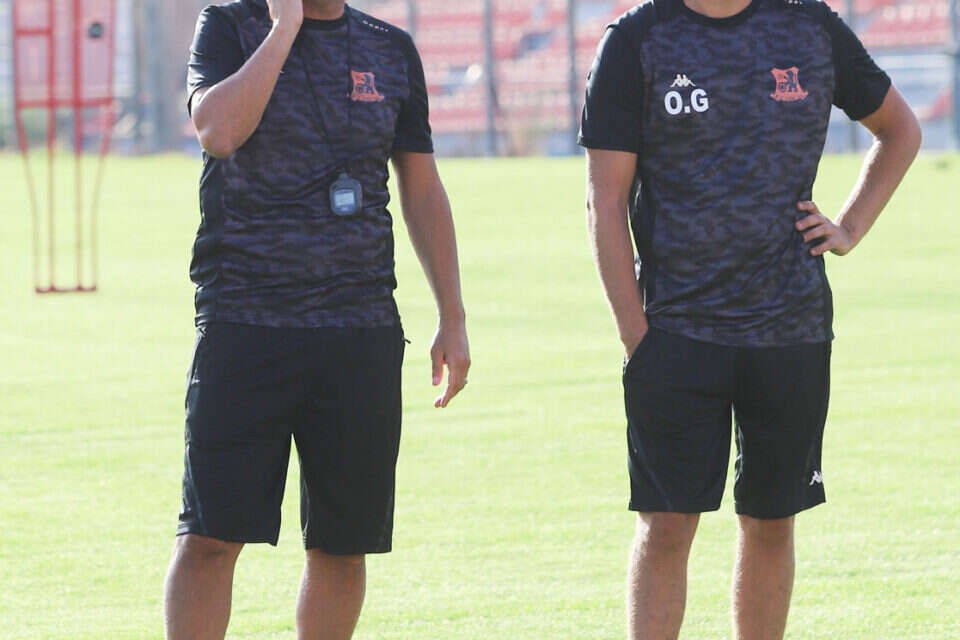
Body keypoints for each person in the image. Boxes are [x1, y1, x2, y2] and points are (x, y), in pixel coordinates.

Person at [579, 0, 920, 637]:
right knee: (667, 523)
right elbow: (605, 200)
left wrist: (849, 227)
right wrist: (636, 338)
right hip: (674, 333)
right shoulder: (637, 39)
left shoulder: (809, 26)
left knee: (771, 521)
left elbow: (900, 129)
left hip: (791, 330)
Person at [163, 1, 470, 638]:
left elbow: (420, 186)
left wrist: (452, 314)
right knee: (210, 538)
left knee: (343, 544)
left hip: (359, 331)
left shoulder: (390, 48)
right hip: (245, 323)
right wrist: (285, 30)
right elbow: (218, 130)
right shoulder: (230, 24)